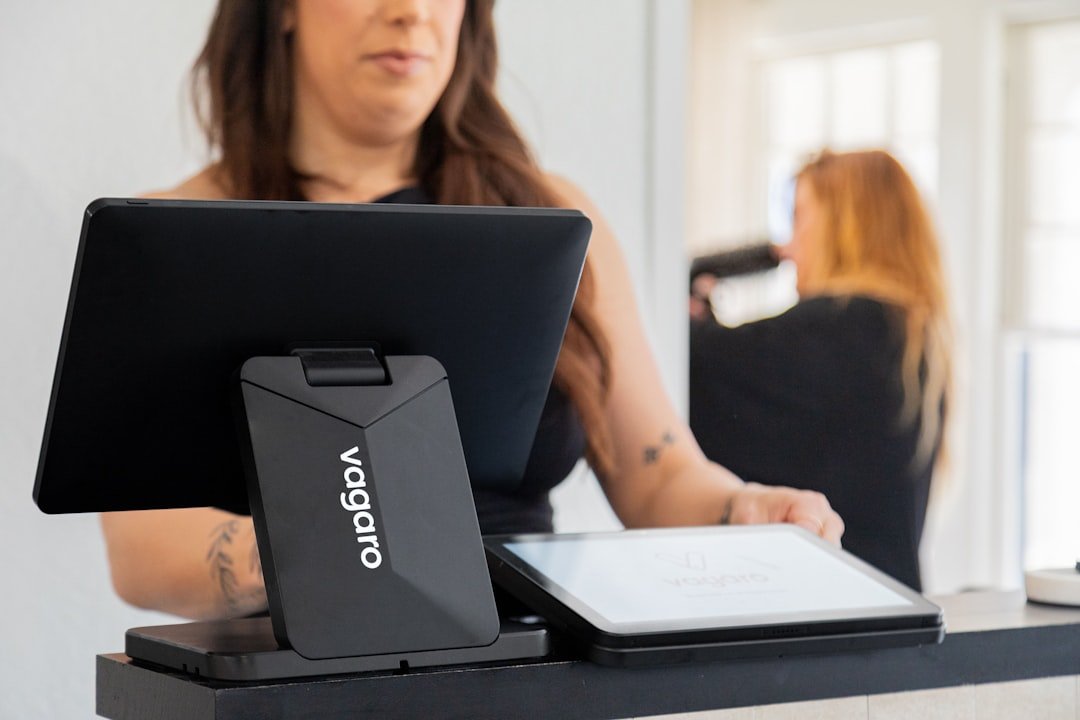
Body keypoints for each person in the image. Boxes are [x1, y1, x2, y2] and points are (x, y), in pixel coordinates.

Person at [100, 0, 843, 621]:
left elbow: (658, 476)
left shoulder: (552, 220)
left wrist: (746, 510)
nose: (410, 13)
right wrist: (310, 546)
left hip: (537, 677)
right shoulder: (179, 232)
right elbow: (143, 549)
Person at [689, 149, 951, 590]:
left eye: (799, 217)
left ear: (846, 226)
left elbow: (707, 372)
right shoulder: (909, 336)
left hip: (830, 615)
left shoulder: (847, 328)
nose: (788, 249)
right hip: (891, 606)